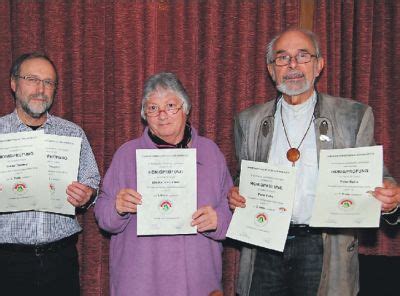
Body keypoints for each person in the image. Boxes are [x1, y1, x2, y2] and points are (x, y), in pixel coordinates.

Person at [228, 29, 400, 296]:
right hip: (264, 244)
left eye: (302, 56)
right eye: (282, 58)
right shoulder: (248, 120)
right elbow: (244, 177)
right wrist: (237, 193)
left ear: (319, 65)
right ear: (271, 70)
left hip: (322, 246)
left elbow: (377, 177)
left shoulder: (353, 116)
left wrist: (389, 196)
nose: (293, 65)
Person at [94, 72, 233, 296]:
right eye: (152, 108)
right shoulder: (126, 154)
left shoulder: (210, 152)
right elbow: (102, 215)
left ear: (186, 109)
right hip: (140, 280)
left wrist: (218, 220)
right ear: (144, 115)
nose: (162, 115)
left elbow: (232, 212)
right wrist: (116, 207)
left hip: (197, 279)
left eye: (170, 105)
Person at [0, 52, 100, 296]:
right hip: (6, 262)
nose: (40, 89)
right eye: (32, 79)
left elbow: (92, 181)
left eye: (48, 82)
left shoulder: (72, 133)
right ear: (14, 83)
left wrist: (88, 195)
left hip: (60, 261)